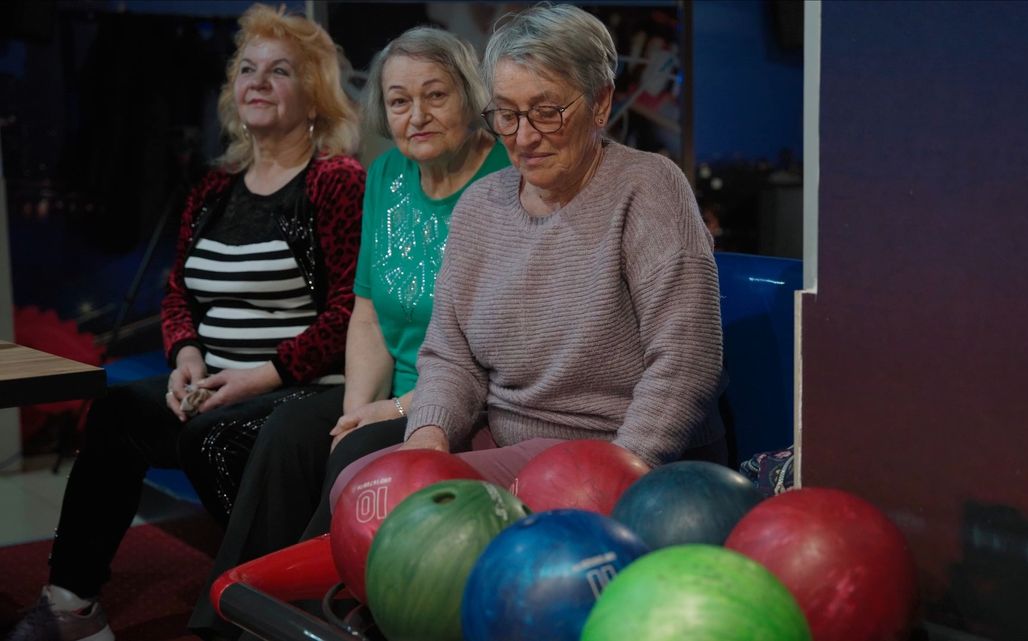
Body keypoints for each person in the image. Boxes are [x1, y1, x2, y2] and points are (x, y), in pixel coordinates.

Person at [4, 5, 364, 641]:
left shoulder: (337, 182)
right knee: (117, 410)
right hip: (212, 384)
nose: (257, 82)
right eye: (247, 69)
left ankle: (270, 601)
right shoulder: (214, 188)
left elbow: (349, 313)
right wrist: (187, 356)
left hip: (300, 391)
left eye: (279, 71)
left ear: (314, 96)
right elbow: (178, 296)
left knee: (209, 439)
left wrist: (262, 375)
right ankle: (71, 606)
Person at [328, 2, 726, 509]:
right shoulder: (481, 205)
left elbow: (687, 361)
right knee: (359, 485)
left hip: (609, 451)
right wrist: (428, 435)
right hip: (508, 437)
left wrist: (619, 472)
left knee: (389, 505)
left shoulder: (648, 187)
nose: (523, 137)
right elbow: (451, 356)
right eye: (507, 114)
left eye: (546, 112)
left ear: (601, 103)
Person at [187, 26, 509, 639]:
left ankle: (301, 626)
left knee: (355, 455)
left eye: (435, 95)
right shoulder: (385, 175)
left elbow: (502, 345)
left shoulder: (504, 178)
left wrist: (392, 410)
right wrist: (356, 408)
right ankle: (230, 615)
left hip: (467, 399)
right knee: (289, 433)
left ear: (469, 97)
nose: (417, 115)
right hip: (390, 389)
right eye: (399, 101)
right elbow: (365, 311)